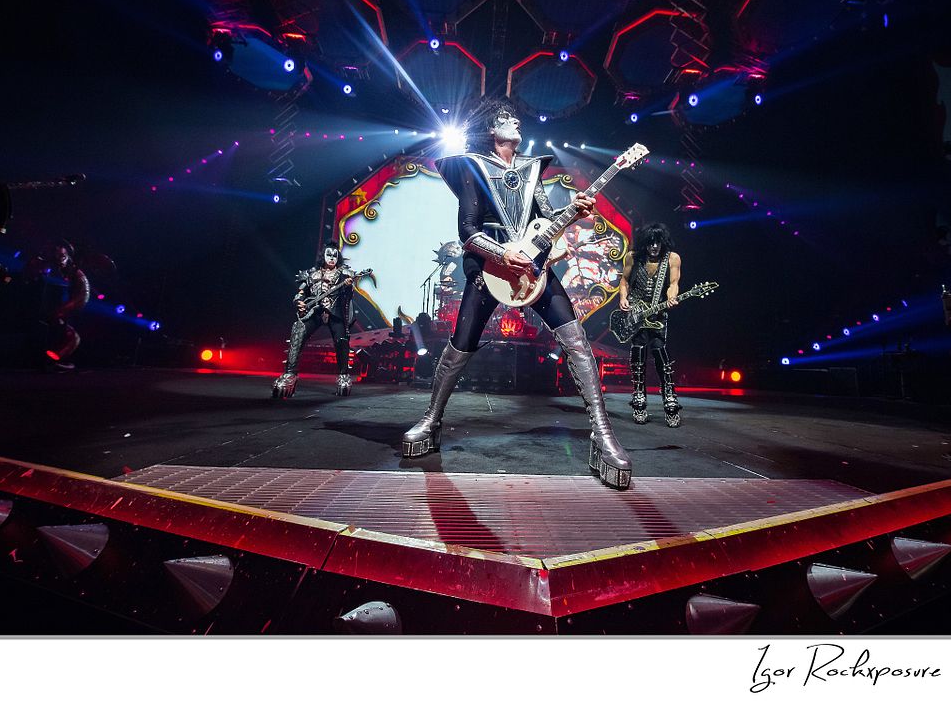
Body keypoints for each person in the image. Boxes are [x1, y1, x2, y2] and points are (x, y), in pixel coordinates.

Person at [402, 104, 632, 490]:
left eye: (517, 119)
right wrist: (500, 253)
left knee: (576, 340)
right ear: (493, 127)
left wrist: (574, 214)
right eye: (509, 118)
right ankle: (431, 418)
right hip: (490, 266)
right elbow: (468, 233)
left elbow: (546, 219)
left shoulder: (531, 170)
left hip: (534, 266)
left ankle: (602, 433)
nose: (518, 122)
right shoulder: (472, 166)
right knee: (461, 343)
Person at [618, 223, 683, 426]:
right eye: (650, 243)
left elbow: (673, 284)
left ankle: (670, 403)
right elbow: (624, 280)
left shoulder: (672, 258)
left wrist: (672, 297)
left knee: (660, 355)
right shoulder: (632, 257)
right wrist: (622, 297)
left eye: (657, 243)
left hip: (657, 314)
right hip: (636, 313)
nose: (654, 246)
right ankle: (639, 401)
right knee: (637, 356)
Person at [273, 241, 356, 398]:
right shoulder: (311, 274)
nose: (331, 258)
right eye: (329, 255)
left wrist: (348, 287)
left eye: (334, 255)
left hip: (335, 312)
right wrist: (299, 302)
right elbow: (300, 293)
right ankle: (290, 374)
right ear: (323, 256)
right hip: (314, 311)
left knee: (342, 340)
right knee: (298, 330)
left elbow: (348, 296)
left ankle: (343, 376)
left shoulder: (345, 274)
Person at [45, 242, 89, 371]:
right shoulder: (51, 268)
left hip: (63, 309)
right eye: (56, 255)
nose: (58, 259)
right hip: (50, 307)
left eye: (62, 256)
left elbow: (82, 296)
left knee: (72, 337)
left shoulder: (75, 274)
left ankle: (53, 359)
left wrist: (62, 311)